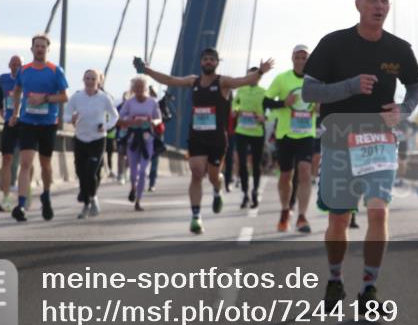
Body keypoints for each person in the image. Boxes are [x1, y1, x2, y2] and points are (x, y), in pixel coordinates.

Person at [302, 0, 418, 315]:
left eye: (385, 1)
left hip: (380, 142)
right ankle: (335, 278)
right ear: (358, 5)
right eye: (373, 0)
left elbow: (416, 89)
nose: (380, 6)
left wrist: (403, 110)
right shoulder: (333, 43)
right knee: (339, 219)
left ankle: (369, 288)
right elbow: (309, 93)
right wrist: (350, 87)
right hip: (340, 140)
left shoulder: (399, 48)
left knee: (378, 211)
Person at [135, 49, 274, 234]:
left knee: (214, 176)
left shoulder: (223, 82)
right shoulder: (194, 81)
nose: (208, 62)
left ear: (217, 62)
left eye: (212, 59)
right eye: (205, 59)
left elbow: (243, 81)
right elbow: (169, 80)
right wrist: (147, 70)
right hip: (197, 136)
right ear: (201, 62)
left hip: (217, 138)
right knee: (197, 172)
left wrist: (260, 72)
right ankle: (196, 216)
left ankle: (218, 189)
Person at [7, 34, 69, 222]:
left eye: (43, 46)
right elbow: (16, 91)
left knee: (45, 165)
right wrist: (16, 113)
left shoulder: (55, 70)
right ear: (32, 49)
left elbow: (64, 97)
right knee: (25, 163)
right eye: (37, 46)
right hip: (27, 122)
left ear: (48, 50)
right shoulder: (24, 71)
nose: (40, 49)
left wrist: (45, 99)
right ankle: (21, 204)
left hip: (47, 124)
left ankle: (46, 195)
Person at [264, 45, 318, 233]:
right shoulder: (282, 79)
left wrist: (319, 107)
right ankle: (285, 209)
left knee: (304, 171)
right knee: (286, 175)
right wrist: (283, 103)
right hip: (285, 134)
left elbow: (323, 104)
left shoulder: (316, 81)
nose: (301, 60)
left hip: (306, 134)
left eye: (305, 57)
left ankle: (302, 217)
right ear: (292, 58)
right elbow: (266, 101)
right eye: (298, 57)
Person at [65, 69, 119, 218]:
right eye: (87, 79)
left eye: (93, 79)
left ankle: (88, 202)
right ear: (83, 80)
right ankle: (92, 197)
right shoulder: (77, 97)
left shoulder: (104, 98)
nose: (89, 81)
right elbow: (66, 114)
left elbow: (115, 116)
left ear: (98, 82)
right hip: (80, 138)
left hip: (98, 139)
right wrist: (71, 118)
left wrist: (106, 126)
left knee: (91, 171)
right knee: (80, 172)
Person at [117, 75, 162, 211]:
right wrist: (131, 121)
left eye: (141, 87)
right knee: (133, 172)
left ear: (145, 88)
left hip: (147, 139)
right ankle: (133, 187)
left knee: (143, 171)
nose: (138, 89)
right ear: (133, 89)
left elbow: (158, 118)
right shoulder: (129, 103)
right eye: (136, 87)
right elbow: (119, 119)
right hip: (132, 139)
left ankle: (138, 200)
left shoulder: (153, 102)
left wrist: (152, 122)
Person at [232, 66, 267, 208]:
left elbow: (271, 110)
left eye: (254, 75)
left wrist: (265, 117)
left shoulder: (265, 92)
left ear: (259, 77)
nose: (251, 78)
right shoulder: (241, 90)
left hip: (257, 132)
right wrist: (236, 110)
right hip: (241, 130)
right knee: (241, 163)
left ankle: (255, 191)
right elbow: (235, 104)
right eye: (249, 76)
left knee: (256, 165)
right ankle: (245, 193)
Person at [0, 55, 22, 212]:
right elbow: (0, 91)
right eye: (13, 63)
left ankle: (24, 195)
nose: (16, 66)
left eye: (19, 64)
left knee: (26, 161)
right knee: (7, 158)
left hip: (25, 123)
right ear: (9, 65)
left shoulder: (27, 79)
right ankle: (6, 198)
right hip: (9, 122)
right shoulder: (3, 79)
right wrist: (1, 107)